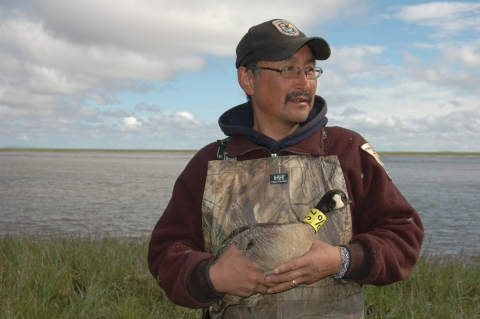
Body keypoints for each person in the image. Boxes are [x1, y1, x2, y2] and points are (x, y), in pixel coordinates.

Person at [148, 19, 424, 318]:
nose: (304, 82)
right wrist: (211, 277)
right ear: (247, 79)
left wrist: (342, 259)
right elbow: (167, 253)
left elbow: (403, 234)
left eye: (309, 69)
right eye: (288, 69)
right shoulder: (210, 162)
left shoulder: (347, 150)